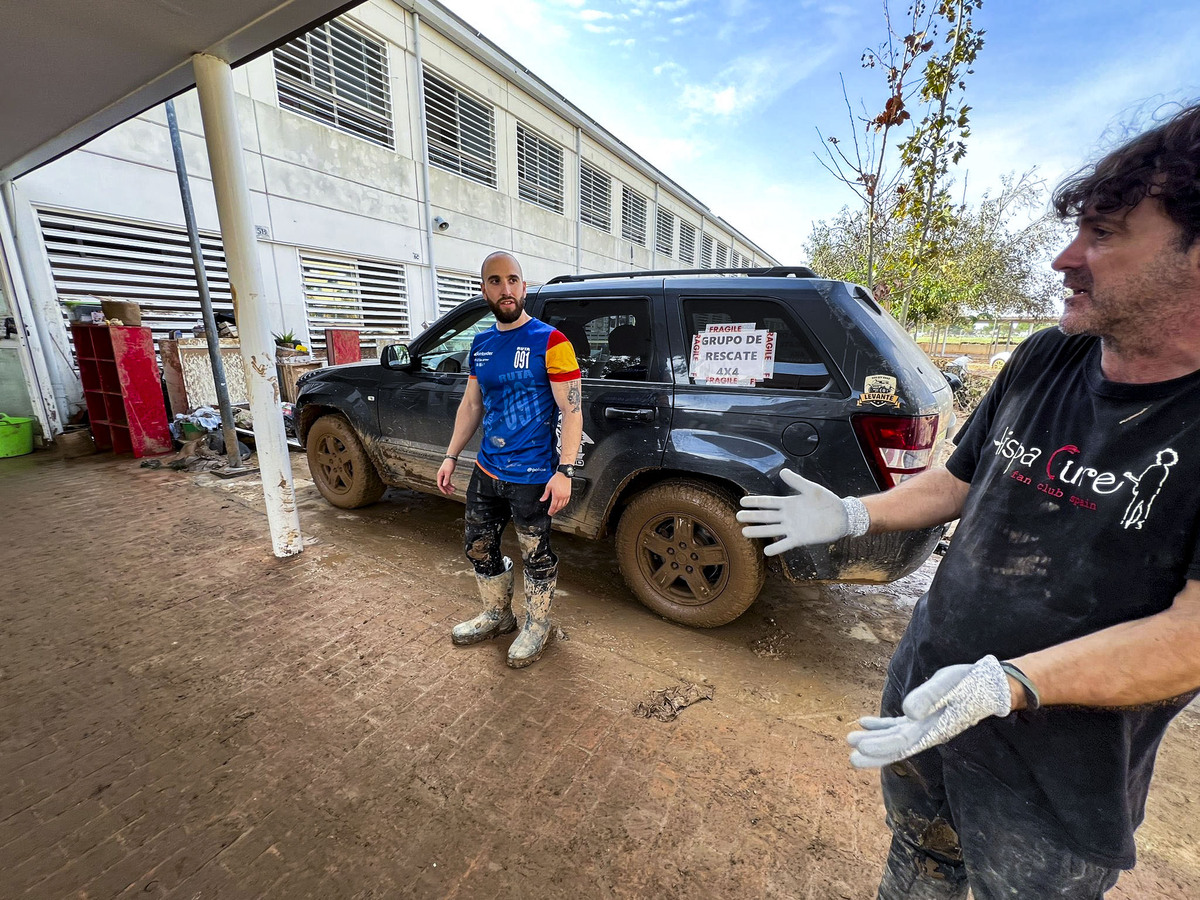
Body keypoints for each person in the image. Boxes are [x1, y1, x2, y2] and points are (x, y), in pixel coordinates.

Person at [737, 102, 1200, 898]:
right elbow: (957, 483)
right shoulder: (1049, 356)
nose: (1065, 258)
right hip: (927, 704)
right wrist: (854, 515)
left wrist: (1008, 684)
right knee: (915, 865)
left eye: (1105, 233)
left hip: (1056, 782)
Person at [437, 251, 583, 668]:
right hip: (486, 469)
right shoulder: (481, 343)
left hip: (534, 474)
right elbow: (471, 405)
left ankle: (537, 625)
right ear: (484, 288)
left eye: (513, 280)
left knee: (535, 554)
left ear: (524, 286)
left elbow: (572, 410)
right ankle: (498, 616)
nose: (506, 289)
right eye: (496, 281)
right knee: (478, 547)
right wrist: (451, 456)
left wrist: (565, 470)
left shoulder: (551, 342)